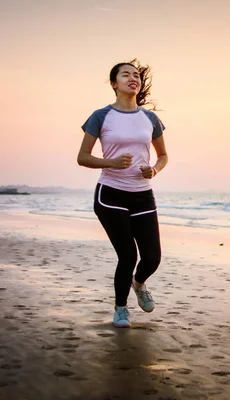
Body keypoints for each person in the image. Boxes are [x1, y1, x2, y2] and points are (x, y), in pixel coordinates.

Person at [77, 59, 168, 328]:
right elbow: (82, 157)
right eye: (126, 74)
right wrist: (111, 163)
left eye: (137, 75)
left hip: (142, 194)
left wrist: (154, 169)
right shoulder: (101, 116)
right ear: (114, 83)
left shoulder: (150, 118)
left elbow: (162, 156)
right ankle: (120, 309)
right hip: (111, 194)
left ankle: (138, 284)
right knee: (127, 255)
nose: (133, 78)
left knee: (152, 257)